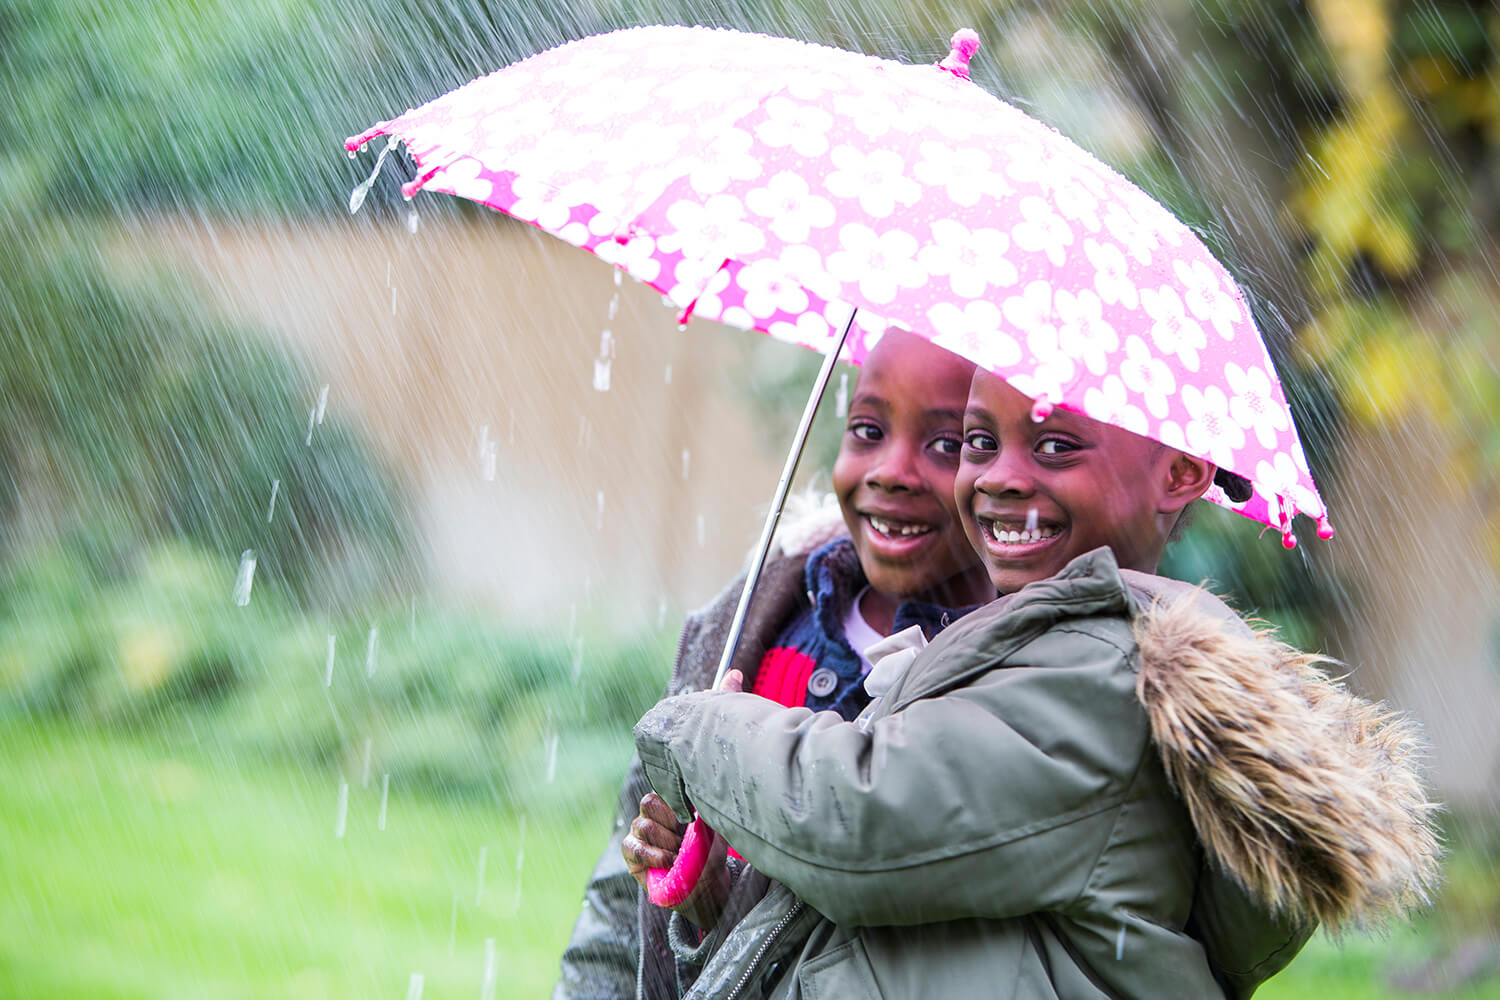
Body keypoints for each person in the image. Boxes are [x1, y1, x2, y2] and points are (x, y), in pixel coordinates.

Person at [628, 367, 1442, 999]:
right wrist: (712, 894)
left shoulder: (1101, 673)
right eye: (979, 443)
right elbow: (903, 925)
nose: (1002, 477)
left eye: (1055, 448)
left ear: (1182, 473)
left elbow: (864, 818)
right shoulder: (1039, 649)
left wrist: (706, 726)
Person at [552, 331, 996, 999]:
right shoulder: (747, 624)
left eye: (947, 444)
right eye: (868, 429)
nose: (891, 470)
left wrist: (726, 900)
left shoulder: (1002, 682)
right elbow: (622, 911)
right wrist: (695, 893)